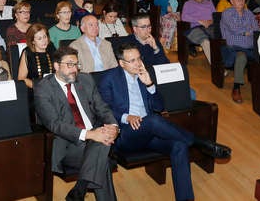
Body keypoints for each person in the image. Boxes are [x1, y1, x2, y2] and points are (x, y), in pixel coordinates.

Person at [98, 42, 231, 200]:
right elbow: (104, 109)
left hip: (150, 134)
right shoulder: (108, 78)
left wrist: (150, 84)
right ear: (121, 63)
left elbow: (160, 106)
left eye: (139, 58)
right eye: (132, 60)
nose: (138, 63)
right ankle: (201, 143)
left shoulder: (144, 74)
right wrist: (127, 116)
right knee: (153, 121)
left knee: (179, 145)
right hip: (125, 135)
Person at [33, 46, 119, 201]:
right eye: (70, 65)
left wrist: (113, 126)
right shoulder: (43, 88)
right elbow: (54, 124)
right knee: (102, 153)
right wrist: (91, 134)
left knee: (100, 146)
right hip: (67, 144)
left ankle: (79, 190)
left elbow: (102, 107)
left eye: (76, 65)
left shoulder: (85, 79)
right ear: (57, 66)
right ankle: (79, 190)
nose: (74, 69)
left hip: (93, 138)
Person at [220, 0, 259, 104]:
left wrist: (246, 32)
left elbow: (256, 29)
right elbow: (234, 29)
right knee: (241, 57)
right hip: (233, 48)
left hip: (250, 47)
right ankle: (236, 88)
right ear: (232, 1)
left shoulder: (249, 13)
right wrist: (247, 31)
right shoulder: (227, 13)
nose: (241, 1)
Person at [181, 0, 217, 65]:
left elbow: (215, 16)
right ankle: (216, 66)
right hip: (195, 28)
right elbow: (184, 17)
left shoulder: (209, 2)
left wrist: (210, 21)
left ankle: (224, 62)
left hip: (210, 27)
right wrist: (199, 21)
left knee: (220, 38)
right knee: (205, 41)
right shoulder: (188, 4)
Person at [17, 23, 55, 88]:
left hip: (53, 88)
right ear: (33, 41)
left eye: (45, 37)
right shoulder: (28, 52)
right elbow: (21, 78)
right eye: (39, 39)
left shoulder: (51, 48)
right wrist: (38, 87)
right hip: (35, 90)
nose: (44, 41)